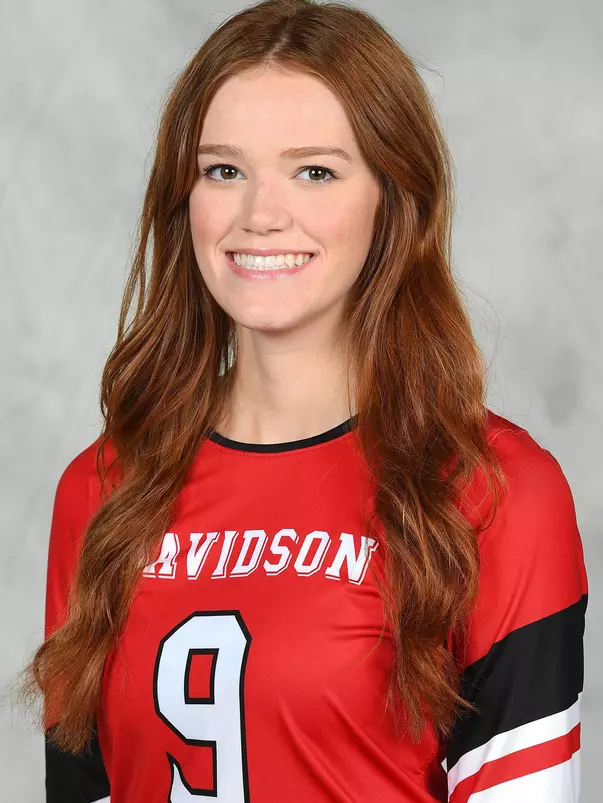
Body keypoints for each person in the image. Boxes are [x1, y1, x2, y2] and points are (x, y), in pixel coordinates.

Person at [19, 1, 588, 801]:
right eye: (224, 170)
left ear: (393, 199)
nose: (260, 215)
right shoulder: (104, 488)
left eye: (314, 170)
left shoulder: (494, 490)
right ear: (183, 199)